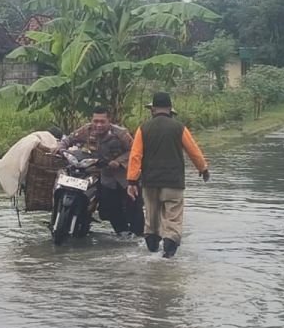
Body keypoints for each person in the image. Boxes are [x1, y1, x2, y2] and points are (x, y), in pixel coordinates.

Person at [127, 92, 209, 258]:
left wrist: (132, 181)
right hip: (173, 182)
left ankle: (152, 251)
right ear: (171, 109)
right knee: (173, 218)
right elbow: (193, 151)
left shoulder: (143, 128)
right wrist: (203, 169)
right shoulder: (179, 128)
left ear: (153, 109)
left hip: (150, 182)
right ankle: (168, 255)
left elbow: (135, 156)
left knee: (151, 218)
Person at [58, 107, 143, 236]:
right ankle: (122, 234)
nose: (99, 125)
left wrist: (119, 161)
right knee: (111, 207)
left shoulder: (120, 133)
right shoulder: (87, 130)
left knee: (133, 207)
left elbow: (134, 150)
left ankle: (139, 236)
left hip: (125, 176)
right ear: (91, 120)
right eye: (96, 121)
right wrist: (60, 148)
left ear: (109, 121)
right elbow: (69, 139)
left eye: (102, 121)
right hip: (105, 175)